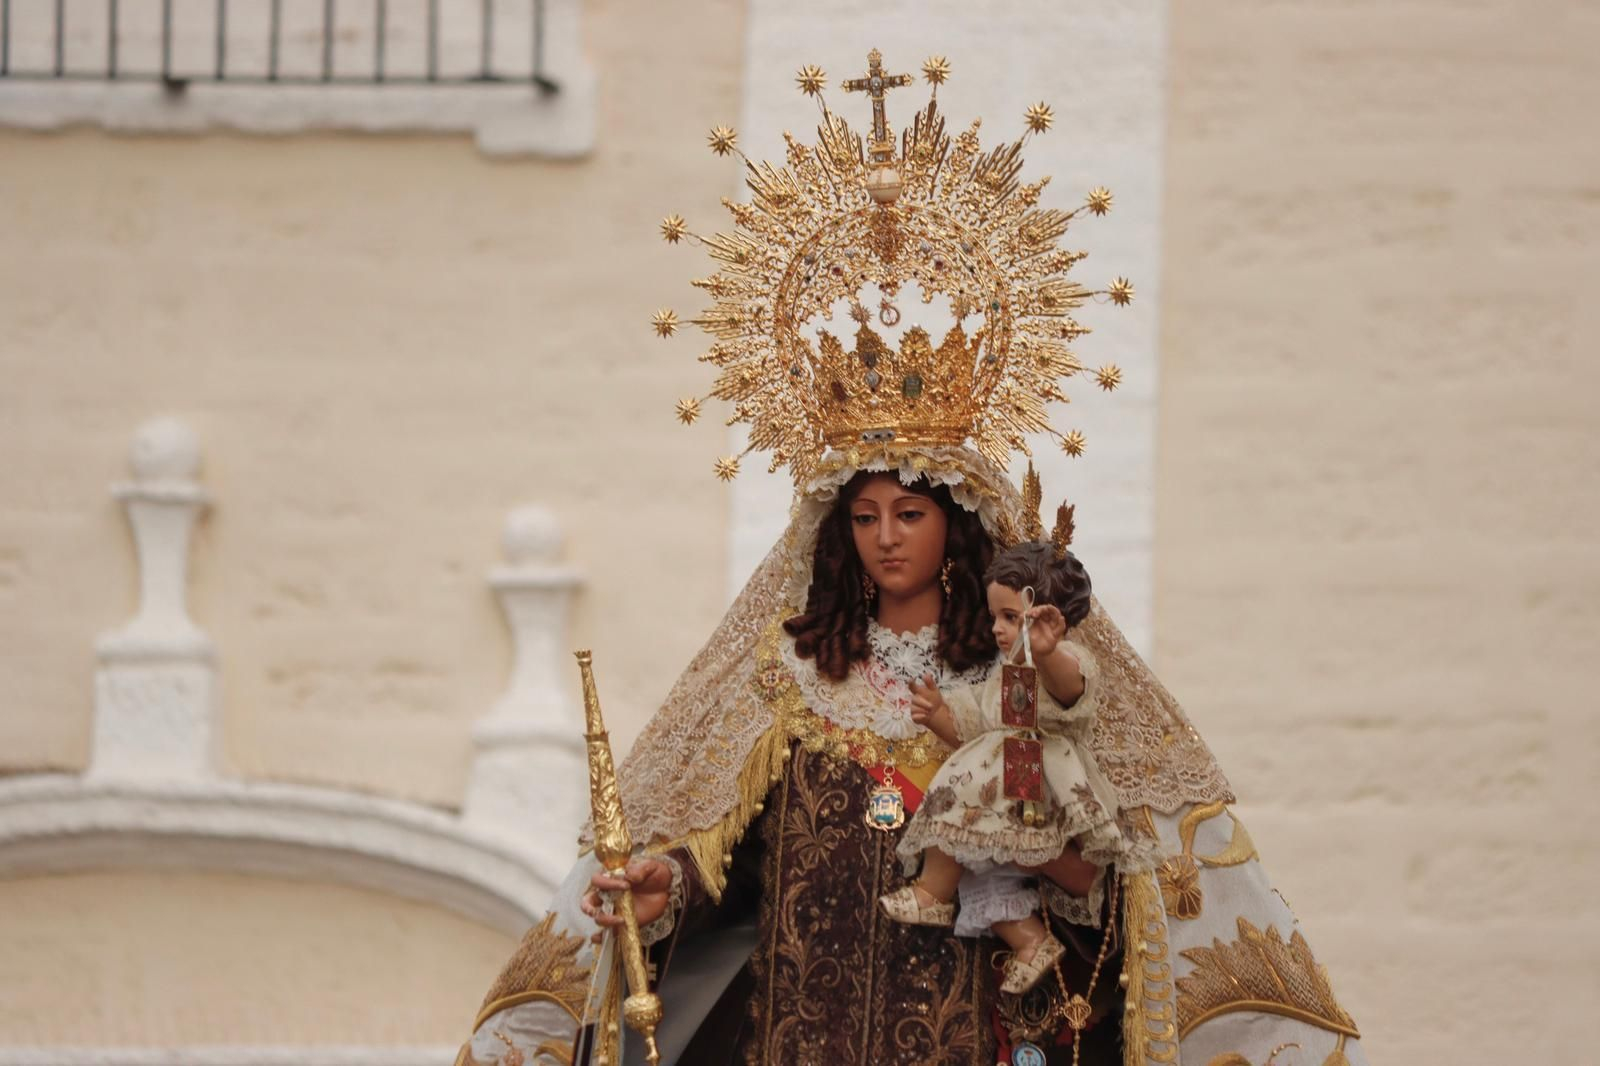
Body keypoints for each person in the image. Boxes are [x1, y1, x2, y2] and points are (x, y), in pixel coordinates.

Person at [458, 48, 1367, 1066]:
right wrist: (675, 883)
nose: (884, 537)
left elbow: (1112, 881)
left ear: (956, 524)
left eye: (907, 514)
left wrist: (1050, 853)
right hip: (798, 1029)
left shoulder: (1008, 664)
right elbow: (738, 852)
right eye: (863, 517)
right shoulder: (787, 670)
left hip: (975, 1030)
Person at [879, 533, 1162, 997]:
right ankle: (1031, 942)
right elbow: (971, 731)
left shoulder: (1063, 660)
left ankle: (932, 892)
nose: (997, 629)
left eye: (1010, 618)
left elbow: (1071, 689)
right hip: (1007, 779)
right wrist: (938, 716)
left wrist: (1047, 651)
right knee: (983, 874)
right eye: (995, 618)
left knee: (958, 822)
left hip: (1042, 777)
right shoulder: (1000, 674)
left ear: (1052, 620)